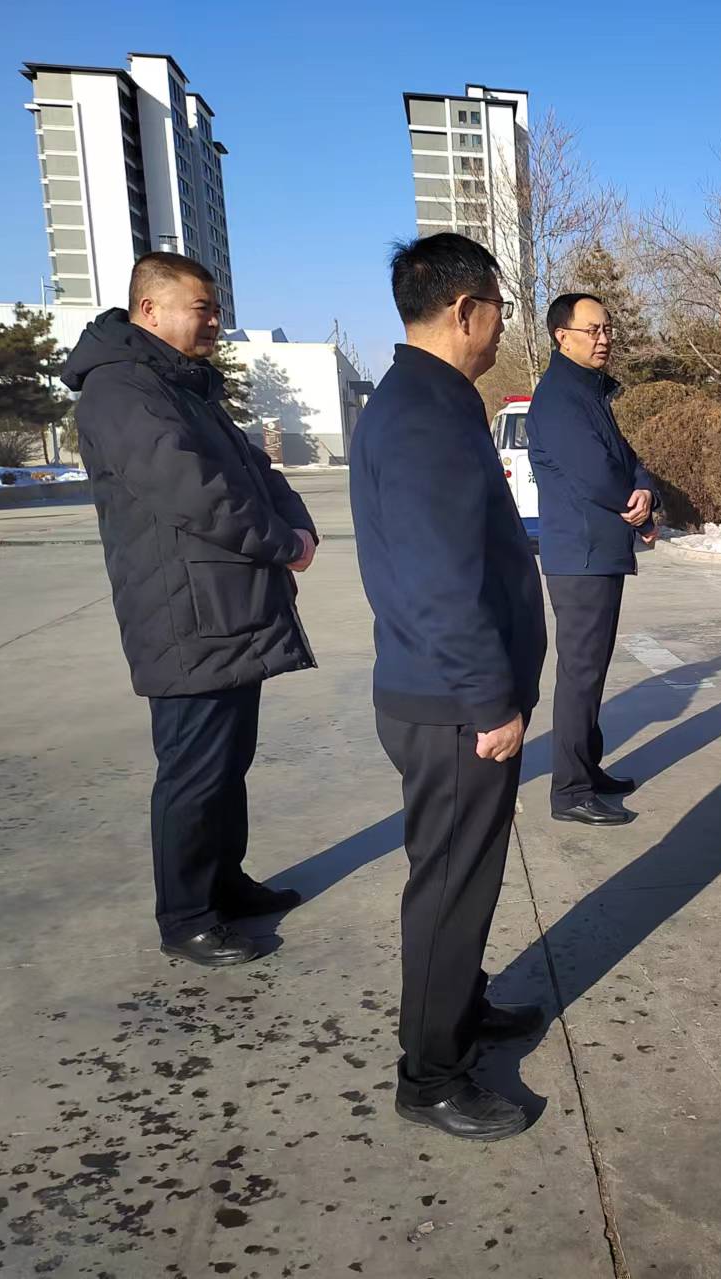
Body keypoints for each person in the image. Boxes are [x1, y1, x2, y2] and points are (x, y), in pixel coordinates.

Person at [63, 252, 317, 969]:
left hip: (227, 609)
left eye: (215, 310)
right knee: (193, 771)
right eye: (201, 309)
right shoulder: (121, 390)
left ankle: (223, 882)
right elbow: (194, 491)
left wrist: (298, 524)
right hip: (185, 614)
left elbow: (255, 469)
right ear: (149, 310)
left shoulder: (183, 387)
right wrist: (280, 543)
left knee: (227, 763)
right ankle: (186, 916)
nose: (214, 322)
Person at [350, 234, 548, 1142]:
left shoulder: (427, 400)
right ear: (464, 310)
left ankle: (459, 1007)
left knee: (462, 879)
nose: (502, 325)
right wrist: (490, 700)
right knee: (450, 889)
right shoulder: (424, 414)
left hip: (441, 690)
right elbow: (438, 580)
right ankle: (430, 1074)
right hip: (451, 702)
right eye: (499, 309)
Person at [526, 292, 660, 827]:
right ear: (562, 337)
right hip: (579, 555)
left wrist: (646, 487)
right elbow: (597, 474)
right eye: (593, 330)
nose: (604, 339)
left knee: (592, 671)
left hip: (598, 552)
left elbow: (626, 458)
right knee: (580, 674)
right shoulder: (559, 398)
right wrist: (640, 514)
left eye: (607, 329)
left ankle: (587, 768)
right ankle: (570, 791)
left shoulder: (589, 392)